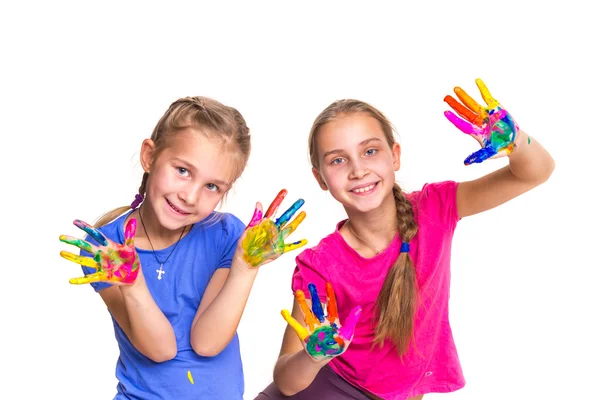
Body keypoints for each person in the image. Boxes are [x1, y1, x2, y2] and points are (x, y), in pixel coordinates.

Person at [256, 79, 555, 399]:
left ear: (395, 156)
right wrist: (314, 356)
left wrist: (514, 140)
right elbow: (286, 381)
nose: (358, 170)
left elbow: (534, 172)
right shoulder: (322, 264)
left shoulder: (436, 208)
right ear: (320, 178)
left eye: (370, 151)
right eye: (338, 160)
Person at [58, 96, 307, 399]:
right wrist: (133, 284)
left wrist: (245, 267)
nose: (190, 196)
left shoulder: (227, 234)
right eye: (183, 171)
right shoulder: (105, 251)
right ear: (149, 156)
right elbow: (159, 349)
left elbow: (207, 342)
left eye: (212, 186)